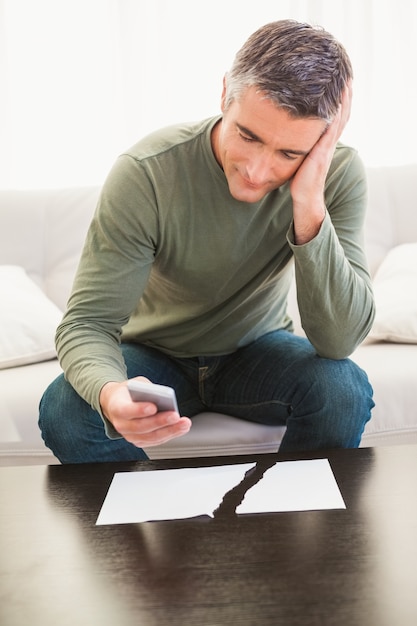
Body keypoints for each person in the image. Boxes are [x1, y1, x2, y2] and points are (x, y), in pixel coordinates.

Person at [39, 19, 375, 463]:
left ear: (323, 142)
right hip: (153, 356)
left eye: (289, 153)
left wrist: (310, 201)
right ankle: (154, 518)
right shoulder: (147, 172)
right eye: (247, 135)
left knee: (343, 390)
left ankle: (288, 522)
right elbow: (87, 323)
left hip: (257, 352)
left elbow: (339, 341)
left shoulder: (337, 176)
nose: (257, 170)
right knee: (65, 408)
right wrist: (110, 394)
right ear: (224, 95)